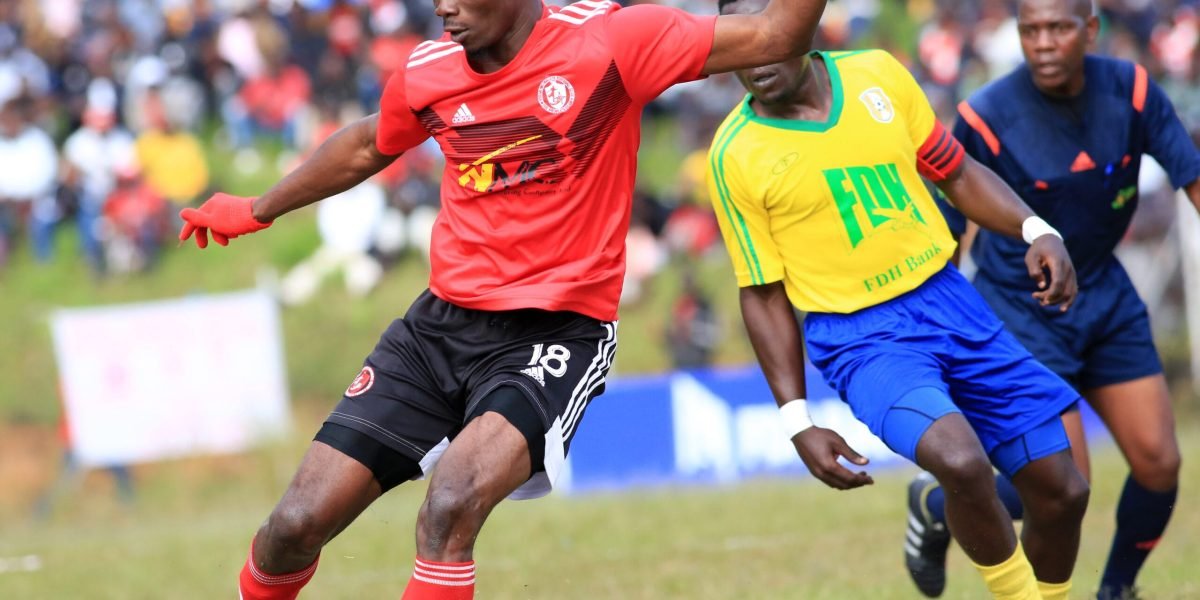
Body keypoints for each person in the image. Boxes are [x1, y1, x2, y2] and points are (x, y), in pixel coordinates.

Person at [177, 0, 831, 597]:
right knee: (293, 525)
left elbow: (777, 34)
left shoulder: (612, 41)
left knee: (450, 503)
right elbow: (367, 145)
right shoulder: (429, 70)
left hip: (556, 332)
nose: (444, 8)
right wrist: (257, 208)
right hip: (437, 329)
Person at [707, 0, 1092, 597]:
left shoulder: (877, 74)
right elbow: (761, 292)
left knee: (1063, 492)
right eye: (737, 42)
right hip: (861, 338)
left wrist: (1036, 230)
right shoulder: (734, 154)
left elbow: (956, 173)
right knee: (960, 461)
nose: (754, 55)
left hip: (950, 302)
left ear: (802, 23)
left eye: (765, 34)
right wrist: (796, 419)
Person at [905, 1, 1200, 599]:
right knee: (1063, 486)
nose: (1043, 42)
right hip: (1019, 311)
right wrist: (934, 332)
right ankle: (936, 504)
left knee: (1160, 463)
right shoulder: (985, 115)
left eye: (1059, 28)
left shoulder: (1133, 92)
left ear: (1090, 30)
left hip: (1106, 295)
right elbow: (945, 231)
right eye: (1030, 29)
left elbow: (1190, 177)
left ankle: (1116, 589)